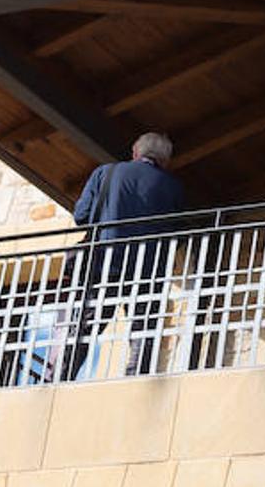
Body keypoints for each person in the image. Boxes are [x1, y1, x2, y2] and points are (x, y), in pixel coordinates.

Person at [62, 132, 186, 378]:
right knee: (144, 329)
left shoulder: (106, 173)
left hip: (104, 264)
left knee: (84, 328)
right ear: (166, 161)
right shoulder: (174, 188)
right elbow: (179, 234)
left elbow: (82, 216)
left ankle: (62, 377)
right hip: (148, 270)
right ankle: (135, 378)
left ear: (135, 152)